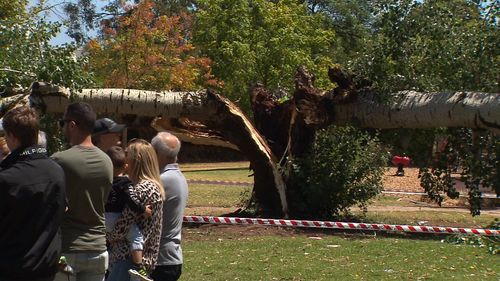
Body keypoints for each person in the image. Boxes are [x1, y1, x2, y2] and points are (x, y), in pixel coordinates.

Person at [0, 106, 66, 281]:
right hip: (46, 268)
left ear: (12, 137)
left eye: (6, 135)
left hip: (11, 270)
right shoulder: (56, 171)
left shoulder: (7, 178)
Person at [52, 102, 113, 281]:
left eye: (63, 123)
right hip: (98, 249)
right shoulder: (106, 161)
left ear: (72, 125)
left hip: (67, 249)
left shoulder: (59, 160)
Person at [107, 139, 163, 281]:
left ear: (136, 160)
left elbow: (122, 226)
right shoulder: (152, 186)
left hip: (128, 260)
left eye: (127, 154)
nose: (123, 158)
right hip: (141, 258)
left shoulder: (140, 189)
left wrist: (109, 236)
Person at [151, 132, 188, 281]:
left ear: (156, 153)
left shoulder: (162, 181)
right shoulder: (178, 177)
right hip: (171, 256)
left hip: (161, 259)